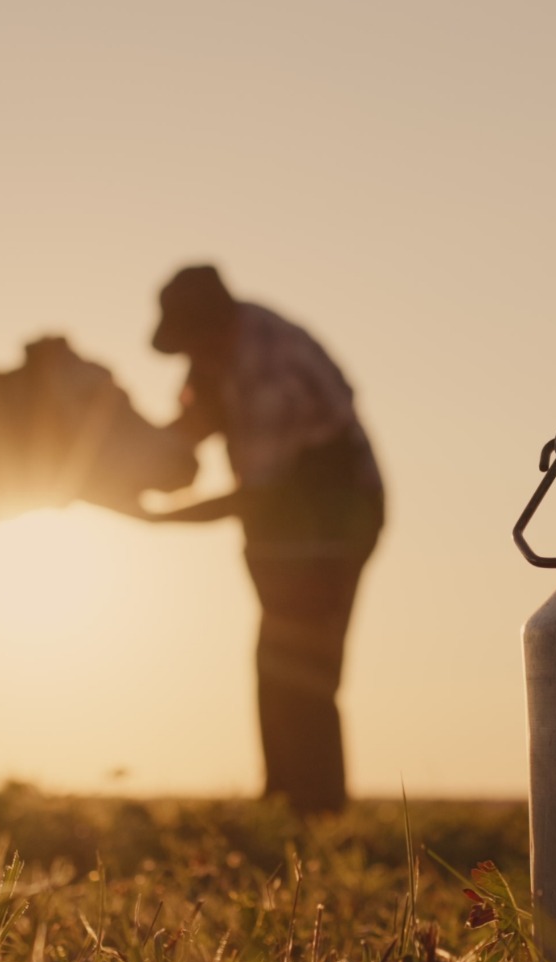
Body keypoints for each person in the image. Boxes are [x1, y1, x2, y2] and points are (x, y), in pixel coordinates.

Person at [148, 264, 384, 814]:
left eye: (191, 343)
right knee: (275, 658)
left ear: (215, 327)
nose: (189, 359)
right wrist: (135, 461)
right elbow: (186, 429)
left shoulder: (269, 369)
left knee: (305, 663)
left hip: (332, 522)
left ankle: (316, 811)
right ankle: (282, 803)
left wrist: (160, 517)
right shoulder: (214, 359)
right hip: (284, 527)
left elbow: (255, 496)